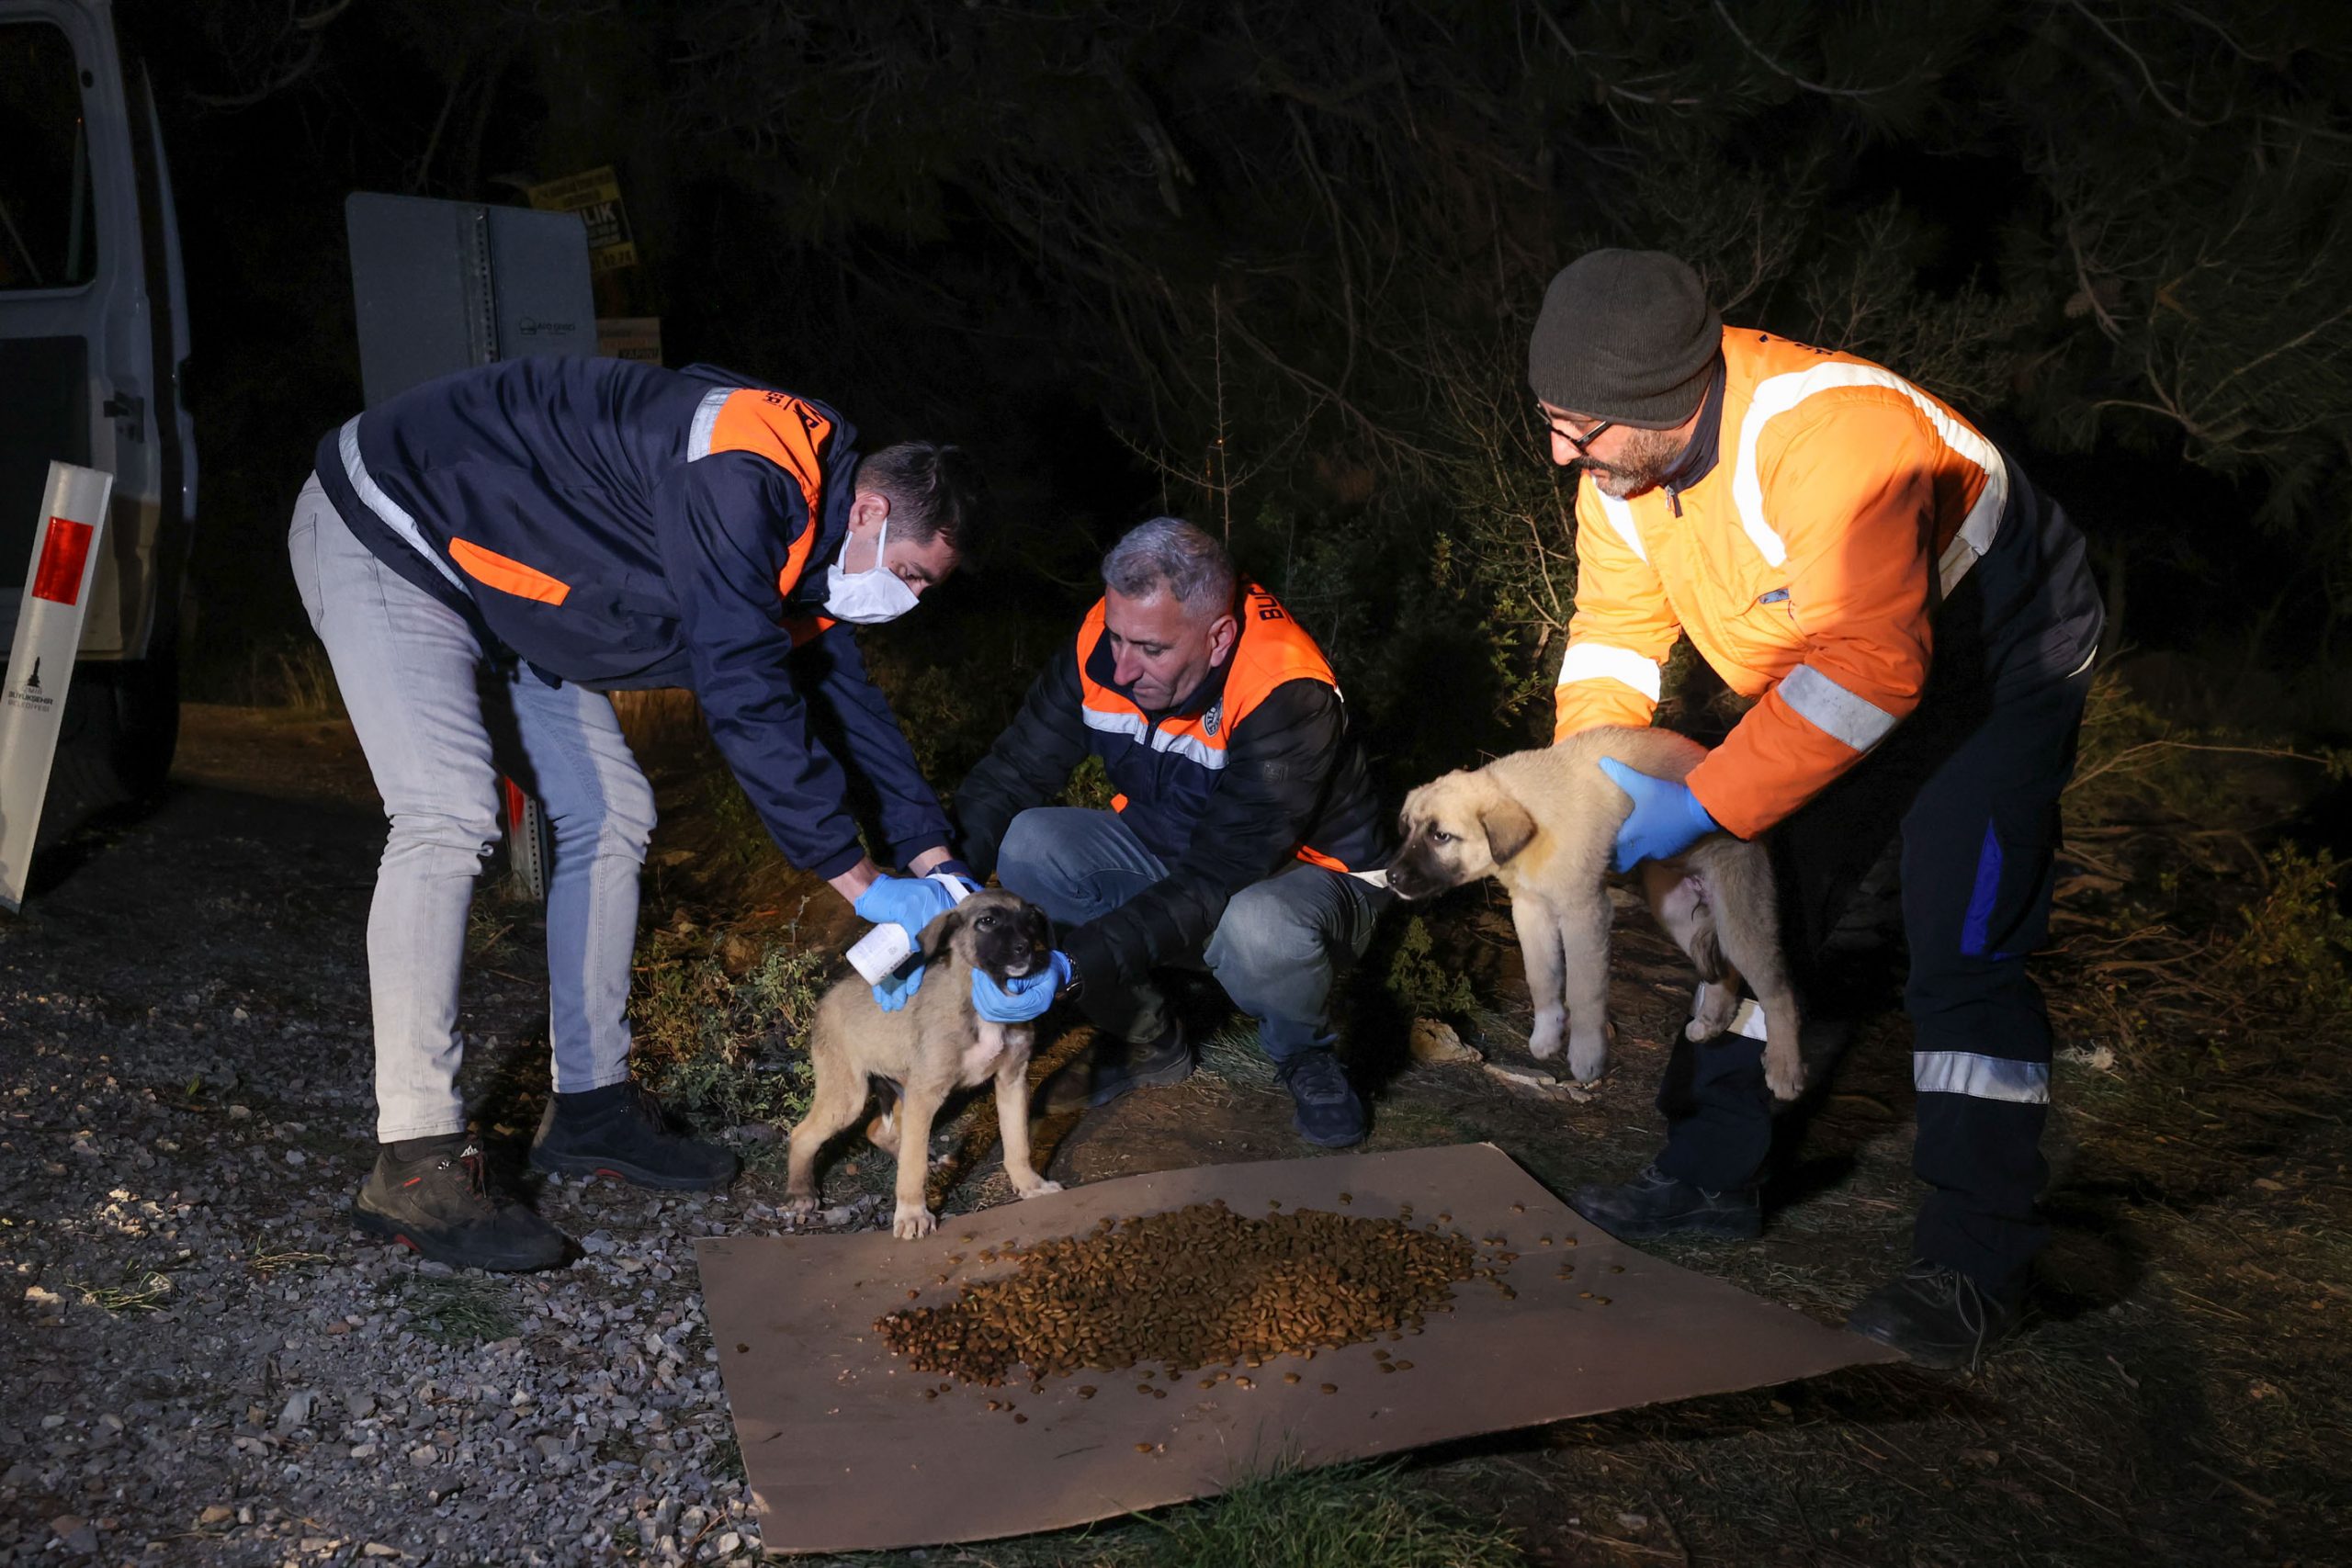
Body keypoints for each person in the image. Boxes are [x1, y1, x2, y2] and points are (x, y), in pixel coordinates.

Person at [1528, 250, 2104, 1368]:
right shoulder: (1622, 475)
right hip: (1836, 663)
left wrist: (1695, 805)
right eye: (1549, 419)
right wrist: (1595, 780)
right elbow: (1611, 637)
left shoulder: (1833, 438)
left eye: (1582, 427)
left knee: (1962, 949)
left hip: (2000, 657)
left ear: (1663, 400)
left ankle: (1977, 1265)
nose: (1561, 451)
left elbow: (1877, 672)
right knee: (1771, 906)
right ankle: (1706, 1177)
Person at [291, 355, 993, 1271]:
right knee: (448, 814)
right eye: (911, 575)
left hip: (516, 586)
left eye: (922, 590)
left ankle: (588, 1105)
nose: (905, 600)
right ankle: (417, 1162)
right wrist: (855, 877)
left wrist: (930, 856)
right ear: (868, 513)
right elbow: (742, 685)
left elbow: (843, 700)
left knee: (613, 811)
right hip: (394, 522)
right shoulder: (750, 473)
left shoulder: (812, 548)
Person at [950, 518, 1393, 1146]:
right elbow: (1013, 771)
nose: (1122, 669)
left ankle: (1306, 1055)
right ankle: (1147, 1040)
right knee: (1029, 845)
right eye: (1117, 636)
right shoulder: (1109, 640)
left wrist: (1076, 965)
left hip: (1304, 875)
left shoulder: (1284, 689)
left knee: (1257, 924)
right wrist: (938, 889)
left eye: (1151, 650)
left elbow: (1219, 874)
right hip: (1175, 847)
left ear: (1219, 638)